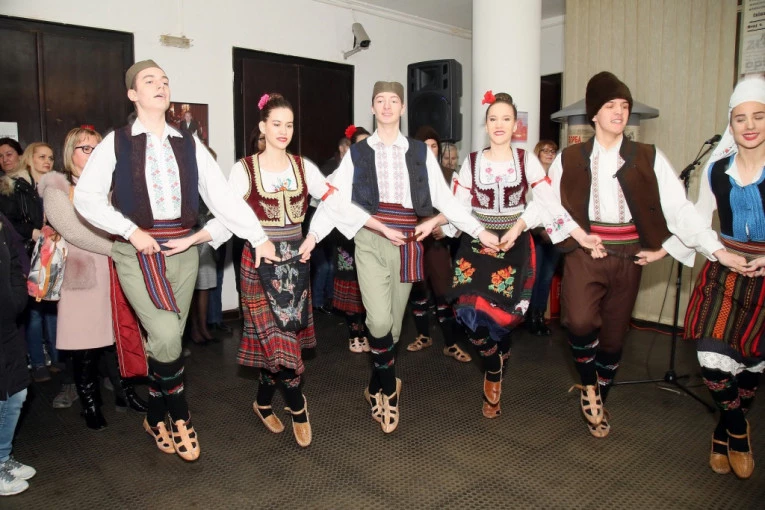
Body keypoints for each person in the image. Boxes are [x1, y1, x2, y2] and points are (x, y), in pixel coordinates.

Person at [74, 60, 277, 462]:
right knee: (167, 336)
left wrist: (258, 237)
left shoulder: (188, 143)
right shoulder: (116, 142)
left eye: (165, 81)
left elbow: (222, 197)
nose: (160, 85)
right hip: (136, 252)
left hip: (183, 251)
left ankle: (154, 415)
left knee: (167, 343)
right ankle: (180, 414)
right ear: (132, 94)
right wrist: (130, 230)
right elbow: (86, 198)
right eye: (149, 80)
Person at [549, 71, 730, 438]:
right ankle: (588, 384)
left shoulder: (648, 156)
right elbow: (548, 205)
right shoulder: (569, 157)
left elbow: (679, 209)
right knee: (579, 322)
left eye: (624, 106)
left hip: (630, 255)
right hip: (586, 250)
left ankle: (599, 395)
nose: (619, 112)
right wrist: (576, 236)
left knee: (614, 339)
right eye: (610, 105)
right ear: (593, 113)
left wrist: (679, 248)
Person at [327, 81, 498, 433]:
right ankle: (390, 392)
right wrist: (314, 233)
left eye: (394, 100)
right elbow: (331, 194)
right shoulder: (359, 153)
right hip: (370, 238)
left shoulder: (419, 151)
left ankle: (376, 385)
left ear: (403, 108)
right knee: (377, 322)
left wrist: (479, 231)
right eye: (380, 100)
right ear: (372, 108)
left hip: (407, 240)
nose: (387, 106)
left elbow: (446, 201)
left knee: (391, 329)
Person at [445, 92, 600, 419]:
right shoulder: (472, 162)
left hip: (513, 245)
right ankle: (493, 368)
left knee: (500, 317)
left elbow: (548, 202)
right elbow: (456, 207)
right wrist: (451, 225)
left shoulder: (525, 160)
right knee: (468, 311)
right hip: (477, 243)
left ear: (515, 125)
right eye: (493, 119)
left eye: (505, 119)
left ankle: (498, 356)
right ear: (486, 124)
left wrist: (577, 235)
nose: (499, 124)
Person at [219, 92, 347, 448]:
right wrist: (201, 237)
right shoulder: (244, 169)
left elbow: (334, 200)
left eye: (289, 125)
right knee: (276, 342)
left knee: (280, 343)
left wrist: (314, 235)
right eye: (276, 124)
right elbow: (227, 213)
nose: (283, 131)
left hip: (295, 266)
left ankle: (263, 402)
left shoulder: (304, 167)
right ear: (262, 126)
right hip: (259, 265)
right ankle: (298, 407)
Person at [683, 76, 765, 480]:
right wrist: (719, 252)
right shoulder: (717, 170)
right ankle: (738, 432)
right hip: (725, 269)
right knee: (711, 357)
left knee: (750, 365)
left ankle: (720, 435)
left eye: (758, 116)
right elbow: (698, 221)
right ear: (730, 125)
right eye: (740, 118)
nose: (749, 125)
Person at [42, 127, 149, 427]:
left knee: (118, 338)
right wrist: (118, 249)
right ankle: (90, 404)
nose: (92, 154)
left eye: (97, 148)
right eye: (85, 148)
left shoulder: (111, 187)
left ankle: (126, 393)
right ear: (70, 153)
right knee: (85, 346)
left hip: (114, 271)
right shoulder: (57, 188)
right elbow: (73, 232)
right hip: (82, 276)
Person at [405, 125, 472, 364]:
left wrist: (446, 229)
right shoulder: (408, 172)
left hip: (437, 242)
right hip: (414, 240)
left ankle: (451, 344)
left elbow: (461, 207)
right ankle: (423, 336)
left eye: (434, 146)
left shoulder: (450, 175)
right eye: (424, 146)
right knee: (418, 289)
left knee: (444, 291)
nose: (430, 150)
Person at [0, 142, 59, 383]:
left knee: (52, 308)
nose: (47, 161)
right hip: (27, 254)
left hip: (51, 253)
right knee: (34, 313)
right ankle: (38, 363)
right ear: (29, 158)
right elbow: (10, 224)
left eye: (51, 157)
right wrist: (34, 232)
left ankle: (58, 359)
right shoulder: (13, 186)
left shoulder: (53, 186)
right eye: (42, 156)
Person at [0, 213, 36, 496]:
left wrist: (16, 299)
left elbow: (14, 260)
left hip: (7, 323)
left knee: (17, 391)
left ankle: (3, 456)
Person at [331, 126, 371, 353]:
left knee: (369, 288)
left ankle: (365, 332)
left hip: (371, 237)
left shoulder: (377, 172)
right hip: (347, 239)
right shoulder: (342, 173)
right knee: (351, 287)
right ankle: (354, 334)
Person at [526, 139, 561, 335]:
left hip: (555, 234)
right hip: (536, 234)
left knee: (547, 277)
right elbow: (528, 208)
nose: (549, 154)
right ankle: (530, 317)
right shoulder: (531, 178)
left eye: (553, 151)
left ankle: (539, 316)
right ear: (538, 153)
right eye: (545, 150)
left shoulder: (558, 178)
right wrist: (541, 231)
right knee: (535, 277)